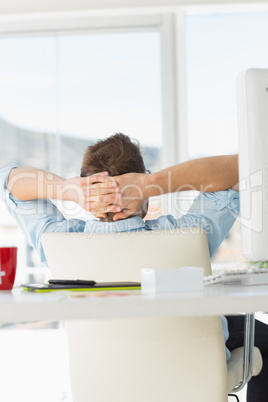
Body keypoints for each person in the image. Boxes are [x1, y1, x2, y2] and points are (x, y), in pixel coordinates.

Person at [0, 133, 266, 401]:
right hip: (189, 368)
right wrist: (152, 183)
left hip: (103, 379)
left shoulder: (57, 240)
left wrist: (70, 190)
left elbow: (8, 181)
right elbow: (246, 169)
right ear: (143, 189)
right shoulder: (188, 233)